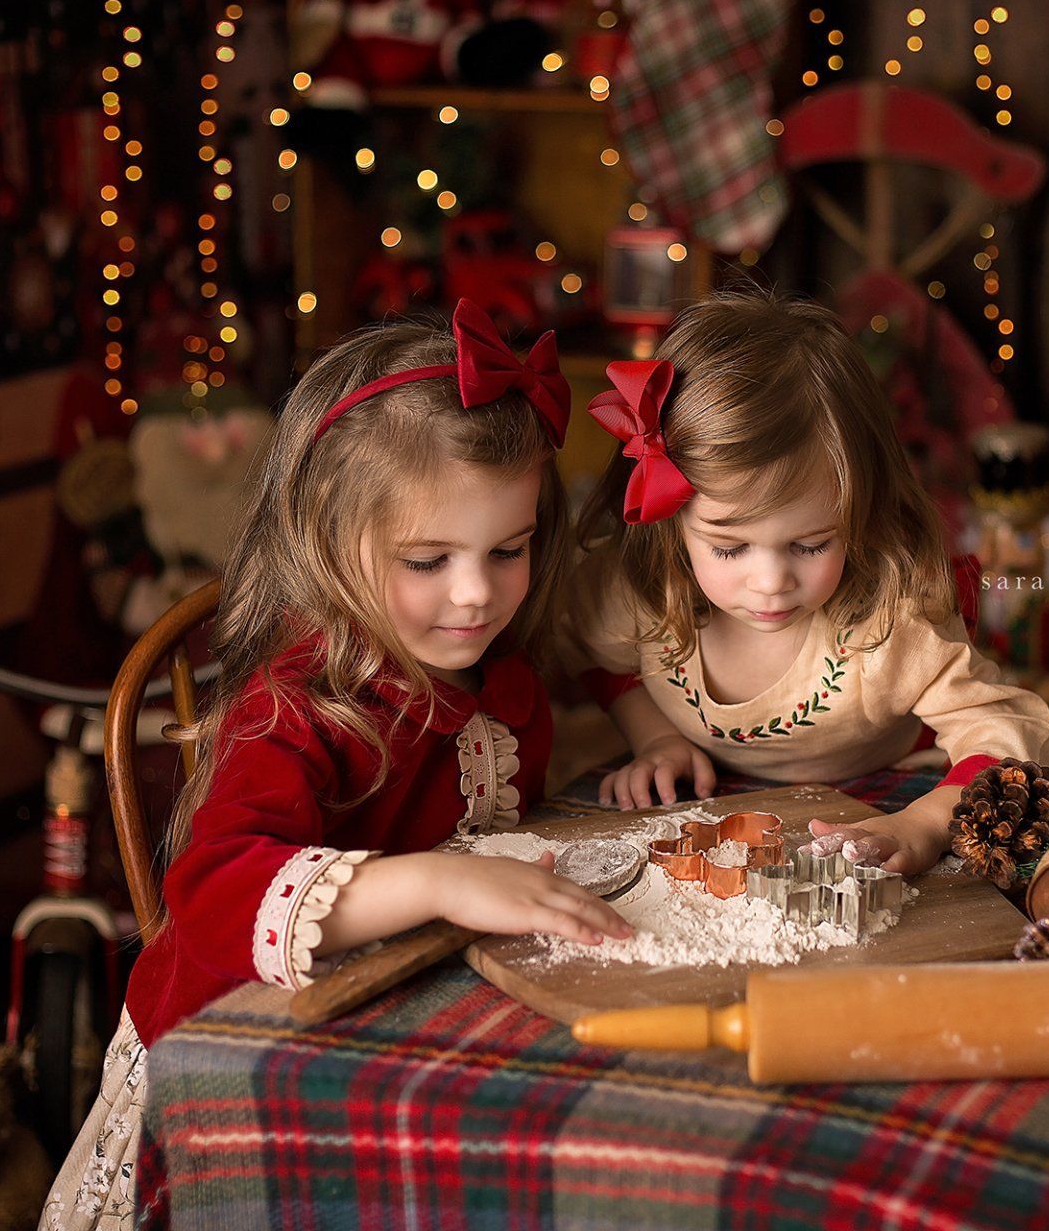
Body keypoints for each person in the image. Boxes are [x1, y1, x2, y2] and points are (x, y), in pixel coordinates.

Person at [43, 300, 630, 1230]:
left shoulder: (492, 680)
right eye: (428, 559)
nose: (476, 593)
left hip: (383, 1017)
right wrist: (439, 882)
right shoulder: (295, 707)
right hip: (233, 1074)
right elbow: (214, 897)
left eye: (506, 551)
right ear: (327, 540)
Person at [565, 291, 1049, 874]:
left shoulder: (890, 624)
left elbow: (1014, 737)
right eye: (729, 547)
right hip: (705, 814)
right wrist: (655, 737)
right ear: (669, 519)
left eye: (810, 545)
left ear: (862, 513)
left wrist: (926, 823)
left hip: (882, 796)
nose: (771, 581)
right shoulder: (640, 588)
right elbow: (581, 646)